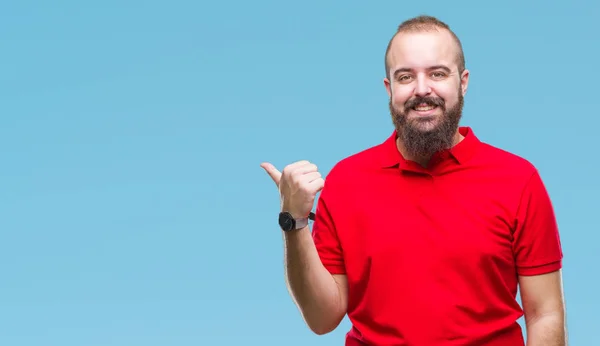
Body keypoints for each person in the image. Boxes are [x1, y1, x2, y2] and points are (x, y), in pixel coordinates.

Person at [260, 15, 567, 346]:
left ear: (462, 82)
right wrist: (295, 221)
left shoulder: (518, 180)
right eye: (406, 77)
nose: (422, 89)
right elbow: (322, 319)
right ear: (389, 88)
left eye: (437, 73)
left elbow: (545, 313)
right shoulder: (346, 182)